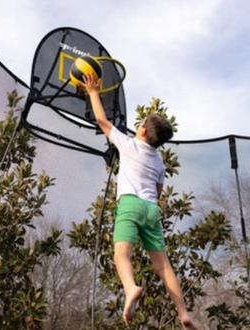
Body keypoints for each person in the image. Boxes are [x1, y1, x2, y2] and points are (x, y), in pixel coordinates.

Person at [81, 72, 199, 330]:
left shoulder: (129, 144)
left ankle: (130, 287)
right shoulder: (158, 160)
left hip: (131, 204)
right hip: (151, 209)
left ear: (142, 130)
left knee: (121, 255)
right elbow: (157, 191)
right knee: (163, 264)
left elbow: (102, 120)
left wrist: (92, 91)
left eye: (140, 122)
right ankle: (183, 312)